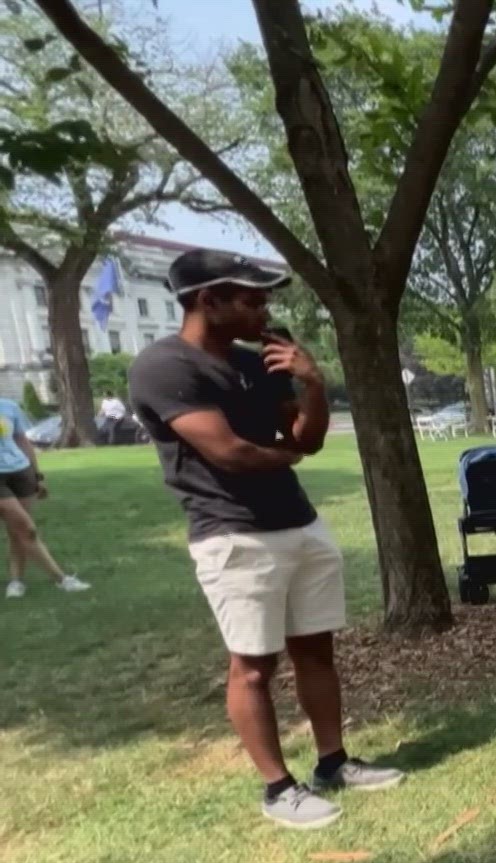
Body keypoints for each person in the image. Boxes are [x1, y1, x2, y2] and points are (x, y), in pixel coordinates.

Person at [128, 248, 402, 829]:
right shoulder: (164, 367)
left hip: (299, 525)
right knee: (252, 665)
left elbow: (309, 436)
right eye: (251, 299)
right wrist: (291, 454)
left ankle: (333, 762)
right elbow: (229, 452)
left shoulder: (258, 364)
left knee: (315, 651)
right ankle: (278, 788)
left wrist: (313, 386)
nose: (264, 309)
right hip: (234, 535)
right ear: (209, 301)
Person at [0, 396, 89, 599]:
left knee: (17, 532)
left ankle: (16, 582)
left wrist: (36, 476)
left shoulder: (8, 406)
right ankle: (62, 579)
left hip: (20, 471)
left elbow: (22, 441)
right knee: (27, 529)